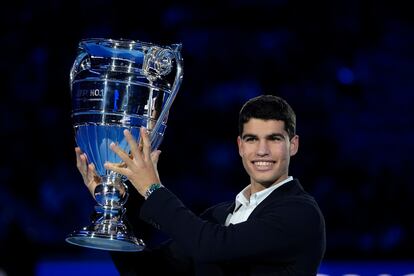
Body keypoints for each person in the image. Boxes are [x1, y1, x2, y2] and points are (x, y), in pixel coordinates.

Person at [75, 94, 326, 275]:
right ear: (240, 146)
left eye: (274, 139)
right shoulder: (219, 216)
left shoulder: (300, 213)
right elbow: (148, 270)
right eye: (252, 139)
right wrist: (114, 206)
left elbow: (210, 246)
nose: (262, 150)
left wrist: (152, 189)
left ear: (293, 145)